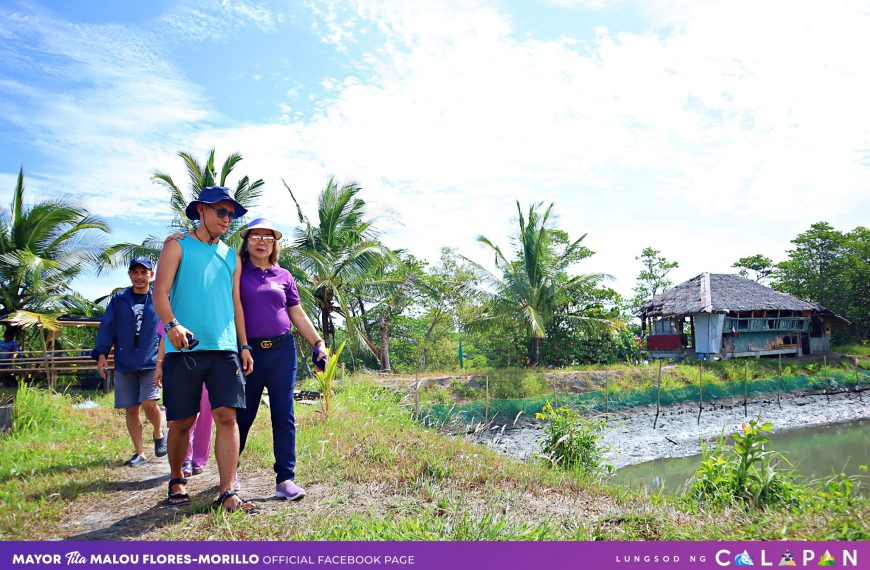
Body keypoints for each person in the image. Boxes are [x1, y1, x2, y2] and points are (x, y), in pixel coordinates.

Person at [153, 185, 254, 511]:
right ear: (201, 211)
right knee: (182, 421)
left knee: (227, 416)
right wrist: (172, 325)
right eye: (221, 211)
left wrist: (244, 345)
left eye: (231, 214)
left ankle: (227, 490)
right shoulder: (177, 246)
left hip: (225, 349)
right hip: (184, 348)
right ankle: (176, 479)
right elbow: (160, 292)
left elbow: (236, 304)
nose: (227, 219)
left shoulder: (231, 257)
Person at [236, 218, 327, 501]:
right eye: (255, 237)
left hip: (282, 352)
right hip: (249, 352)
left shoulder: (284, 275)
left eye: (268, 237)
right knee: (244, 414)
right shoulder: (237, 272)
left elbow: (297, 314)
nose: (261, 241)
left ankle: (285, 479)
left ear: (275, 244)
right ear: (247, 242)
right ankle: (230, 471)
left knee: (283, 415)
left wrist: (318, 342)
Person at [91, 257, 167, 467]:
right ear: (130, 275)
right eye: (135, 272)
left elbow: (169, 325)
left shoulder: (159, 298)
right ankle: (140, 453)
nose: (140, 277)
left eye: (144, 272)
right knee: (131, 408)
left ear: (151, 275)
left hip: (151, 360)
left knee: (149, 402)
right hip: (125, 361)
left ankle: (159, 432)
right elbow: (107, 327)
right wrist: (101, 353)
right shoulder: (119, 300)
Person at [155, 331, 213, 478]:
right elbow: (164, 335)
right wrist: (159, 364)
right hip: (180, 360)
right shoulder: (173, 308)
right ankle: (184, 459)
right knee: (183, 415)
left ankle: (199, 459)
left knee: (206, 414)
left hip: (212, 359)